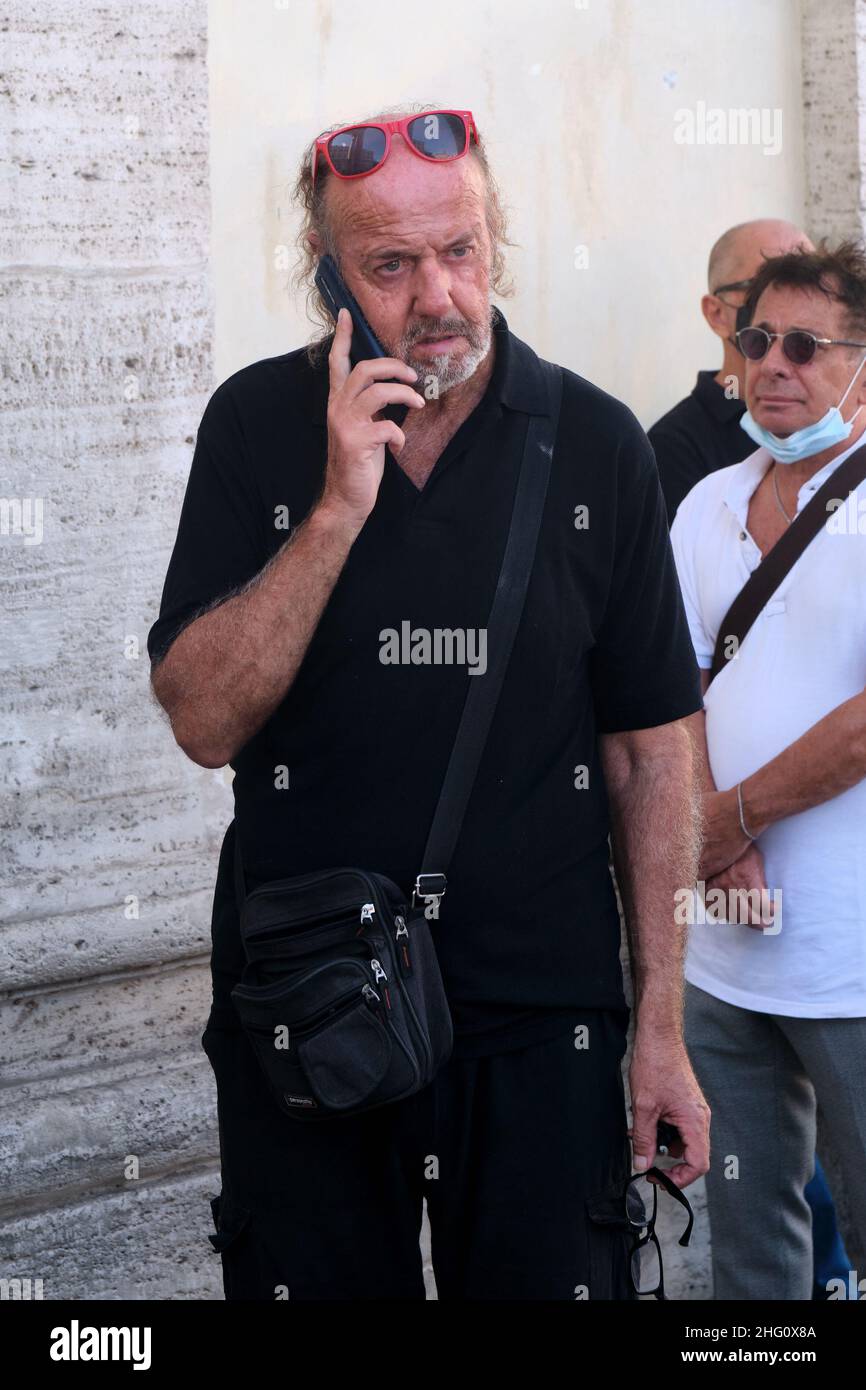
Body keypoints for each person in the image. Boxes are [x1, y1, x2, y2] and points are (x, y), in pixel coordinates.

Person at [148, 103, 709, 1301]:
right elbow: (201, 720)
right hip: (307, 993)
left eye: (459, 250)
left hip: (538, 1011)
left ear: (493, 240)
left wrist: (657, 1023)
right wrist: (338, 508)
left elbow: (651, 754)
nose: (437, 294)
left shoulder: (599, 444)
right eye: (389, 266)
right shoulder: (255, 426)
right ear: (325, 275)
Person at [670, 241, 866, 1300]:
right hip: (725, 952)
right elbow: (673, 687)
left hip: (852, 959)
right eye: (755, 340)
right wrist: (708, 833)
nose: (773, 364)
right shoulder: (703, 503)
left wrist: (721, 822)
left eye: (804, 344)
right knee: (749, 1252)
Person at [650, 219, 812, 522]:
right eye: (765, 287)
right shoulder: (673, 448)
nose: (792, 307)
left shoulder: (838, 416)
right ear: (717, 314)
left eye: (809, 286)